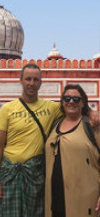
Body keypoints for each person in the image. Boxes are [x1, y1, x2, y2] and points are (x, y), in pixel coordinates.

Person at [0, 63, 62, 217]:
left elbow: (73, 105)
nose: (31, 83)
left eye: (36, 80)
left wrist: (92, 112)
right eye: (28, 79)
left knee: (35, 213)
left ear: (41, 83)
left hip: (34, 173)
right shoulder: (8, 109)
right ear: (21, 80)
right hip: (9, 173)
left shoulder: (51, 108)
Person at [45, 84, 100, 216]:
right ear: (62, 102)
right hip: (54, 199)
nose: (71, 102)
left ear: (83, 103)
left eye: (76, 99)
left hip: (85, 199)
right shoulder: (54, 123)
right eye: (67, 98)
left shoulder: (92, 126)